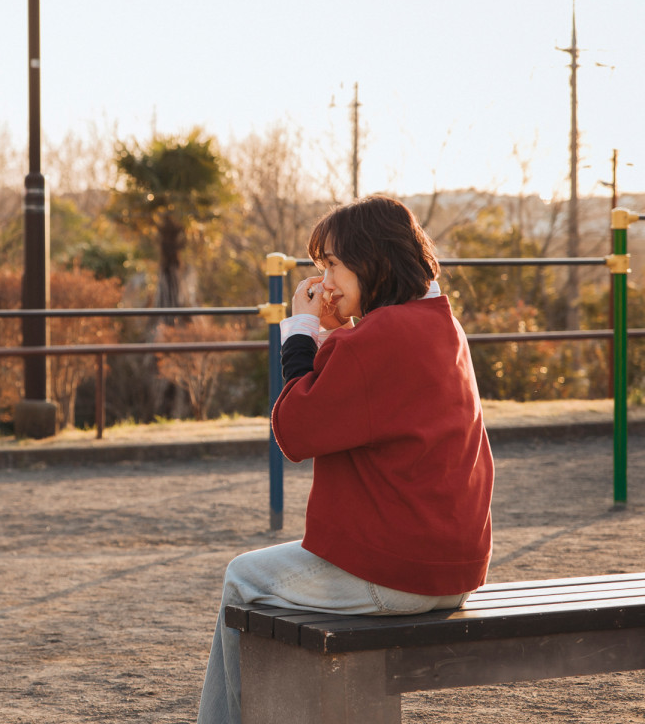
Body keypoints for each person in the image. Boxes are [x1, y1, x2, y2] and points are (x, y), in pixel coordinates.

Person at [196, 195, 494, 724]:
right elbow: (358, 392)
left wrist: (302, 331)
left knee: (242, 577)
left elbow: (293, 430)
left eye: (332, 263)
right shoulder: (440, 326)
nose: (324, 279)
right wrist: (335, 331)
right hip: (455, 569)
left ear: (371, 259)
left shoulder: (373, 340)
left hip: (395, 574)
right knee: (262, 578)